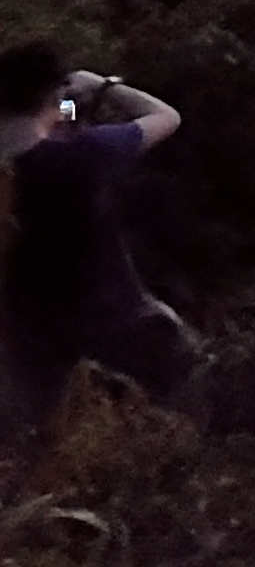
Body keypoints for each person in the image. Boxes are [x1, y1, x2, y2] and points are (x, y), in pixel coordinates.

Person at [0, 40, 193, 420]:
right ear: (53, 93)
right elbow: (167, 117)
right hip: (116, 317)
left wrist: (62, 111)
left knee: (37, 429)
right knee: (183, 384)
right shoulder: (84, 155)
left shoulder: (25, 162)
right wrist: (104, 86)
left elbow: (42, 128)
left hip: (29, 332)